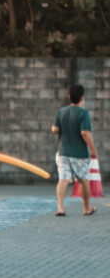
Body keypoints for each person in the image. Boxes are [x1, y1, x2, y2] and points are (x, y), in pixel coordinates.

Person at [52, 84, 98, 216]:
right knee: (83, 180)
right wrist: (93, 150)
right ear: (82, 98)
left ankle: (60, 208)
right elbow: (85, 133)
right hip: (79, 154)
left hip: (63, 152)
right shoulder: (83, 113)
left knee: (63, 179)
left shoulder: (61, 112)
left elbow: (54, 129)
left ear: (69, 97)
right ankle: (86, 208)